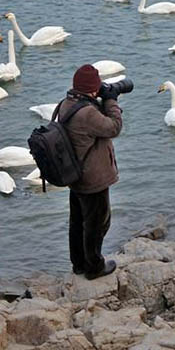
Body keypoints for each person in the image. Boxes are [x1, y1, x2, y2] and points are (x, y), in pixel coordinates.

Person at [56, 64, 122, 280]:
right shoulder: (87, 113)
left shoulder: (67, 104)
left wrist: (99, 99)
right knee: (97, 223)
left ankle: (79, 264)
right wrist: (111, 100)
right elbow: (114, 127)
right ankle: (94, 267)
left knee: (77, 222)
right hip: (93, 178)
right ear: (93, 89)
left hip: (75, 175)